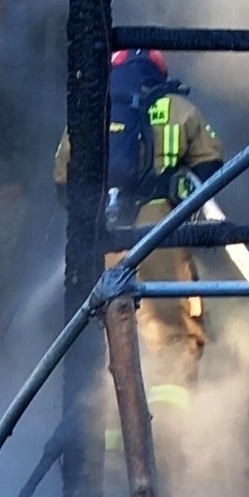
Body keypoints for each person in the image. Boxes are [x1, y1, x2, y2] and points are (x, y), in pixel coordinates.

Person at [54, 49, 224, 443]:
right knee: (178, 335)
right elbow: (214, 168)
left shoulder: (90, 112)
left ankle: (114, 444)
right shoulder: (178, 108)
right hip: (161, 237)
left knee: (115, 332)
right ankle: (168, 441)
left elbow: (63, 180)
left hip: (107, 238)